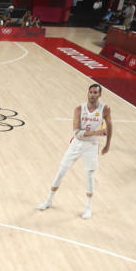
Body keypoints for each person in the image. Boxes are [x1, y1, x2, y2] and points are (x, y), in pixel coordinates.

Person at [37, 84, 112, 219]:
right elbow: (77, 134)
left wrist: (107, 145)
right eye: (91, 92)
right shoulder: (79, 109)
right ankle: (48, 200)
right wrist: (98, 132)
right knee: (61, 171)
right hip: (77, 144)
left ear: (100, 95)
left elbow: (110, 126)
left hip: (92, 145)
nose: (93, 94)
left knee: (89, 176)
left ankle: (88, 207)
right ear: (87, 93)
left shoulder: (105, 109)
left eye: (95, 92)